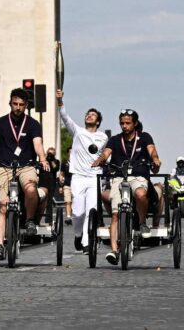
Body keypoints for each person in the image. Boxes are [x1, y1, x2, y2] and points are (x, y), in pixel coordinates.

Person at [93, 108, 160, 266]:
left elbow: (152, 151)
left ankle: (142, 223)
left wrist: (155, 159)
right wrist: (100, 159)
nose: (124, 126)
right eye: (122, 123)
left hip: (139, 176)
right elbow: (106, 152)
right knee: (115, 214)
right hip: (119, 177)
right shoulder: (116, 140)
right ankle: (115, 250)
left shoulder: (144, 137)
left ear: (135, 123)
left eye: (127, 123)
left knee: (141, 194)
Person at [0, 88, 48, 261]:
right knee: (3, 205)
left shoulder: (33, 124)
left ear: (26, 106)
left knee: (30, 189)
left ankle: (29, 220)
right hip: (4, 167)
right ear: (10, 103)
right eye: (15, 104)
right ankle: (0, 245)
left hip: (26, 165)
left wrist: (42, 159)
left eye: (21, 105)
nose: (18, 108)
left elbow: (38, 145)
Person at [57, 88, 107, 253]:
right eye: (88, 114)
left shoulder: (103, 137)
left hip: (94, 177)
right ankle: (78, 235)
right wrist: (60, 101)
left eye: (93, 115)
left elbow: (98, 150)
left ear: (98, 121)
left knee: (91, 210)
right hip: (78, 177)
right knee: (78, 212)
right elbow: (65, 117)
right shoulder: (77, 132)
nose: (89, 116)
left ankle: (86, 242)